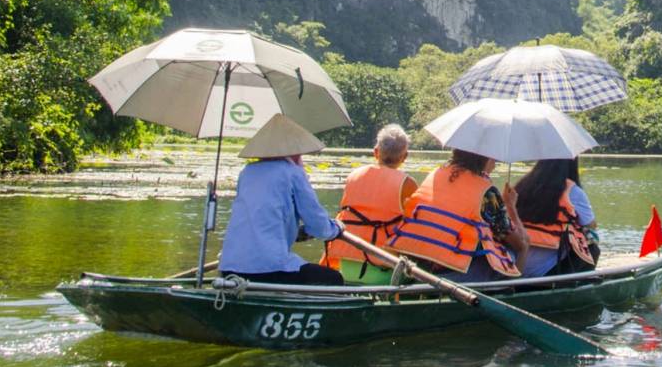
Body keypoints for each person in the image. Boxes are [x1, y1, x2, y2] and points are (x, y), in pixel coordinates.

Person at [217, 114, 344, 286]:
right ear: (294, 151)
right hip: (269, 268)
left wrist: (296, 232)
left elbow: (264, 216)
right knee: (333, 278)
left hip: (229, 268)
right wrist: (337, 229)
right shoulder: (292, 173)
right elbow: (319, 226)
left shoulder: (246, 172)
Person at [387, 148, 529, 281]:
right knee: (520, 247)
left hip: (418, 263)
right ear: (483, 159)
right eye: (493, 158)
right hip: (453, 272)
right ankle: (511, 291)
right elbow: (515, 240)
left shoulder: (436, 174)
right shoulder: (487, 192)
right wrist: (510, 206)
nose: (495, 163)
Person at [324, 124, 416, 283]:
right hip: (386, 270)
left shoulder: (353, 176)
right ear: (405, 156)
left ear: (376, 152)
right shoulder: (407, 184)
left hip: (346, 266)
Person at [513, 157, 599, 278]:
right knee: (592, 247)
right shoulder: (573, 191)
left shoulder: (522, 185)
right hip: (545, 273)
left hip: (516, 266)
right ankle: (577, 285)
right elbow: (591, 224)